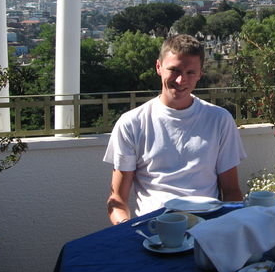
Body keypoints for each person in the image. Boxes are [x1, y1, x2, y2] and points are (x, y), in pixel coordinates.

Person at [104, 34, 246, 224]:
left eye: (190, 72)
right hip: (153, 230)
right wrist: (126, 229)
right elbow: (117, 200)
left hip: (206, 228)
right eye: (174, 70)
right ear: (158, 67)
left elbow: (231, 191)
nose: (181, 80)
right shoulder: (131, 123)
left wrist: (232, 229)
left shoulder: (220, 120)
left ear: (200, 74)